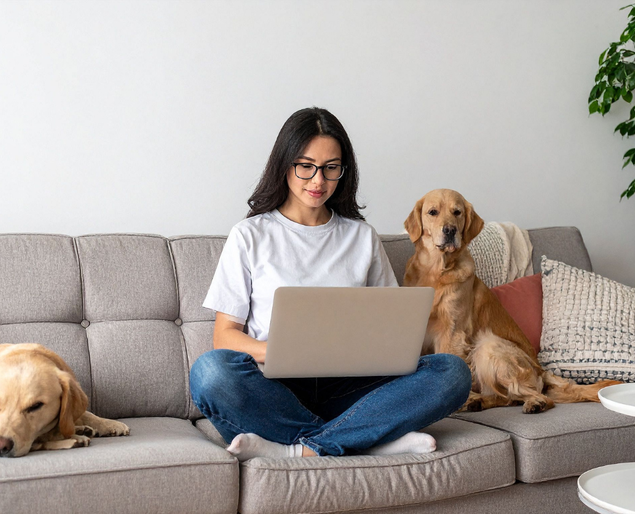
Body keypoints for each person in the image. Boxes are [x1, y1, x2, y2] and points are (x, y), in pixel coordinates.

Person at [189, 107, 471, 460]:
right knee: (210, 373)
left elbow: (393, 329)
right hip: (275, 389)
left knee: (452, 373)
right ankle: (368, 439)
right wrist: (283, 352)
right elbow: (224, 336)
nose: (318, 181)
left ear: (343, 170)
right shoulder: (249, 235)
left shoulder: (361, 237)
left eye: (330, 168)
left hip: (351, 388)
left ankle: (298, 449)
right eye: (305, 166)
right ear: (285, 165)